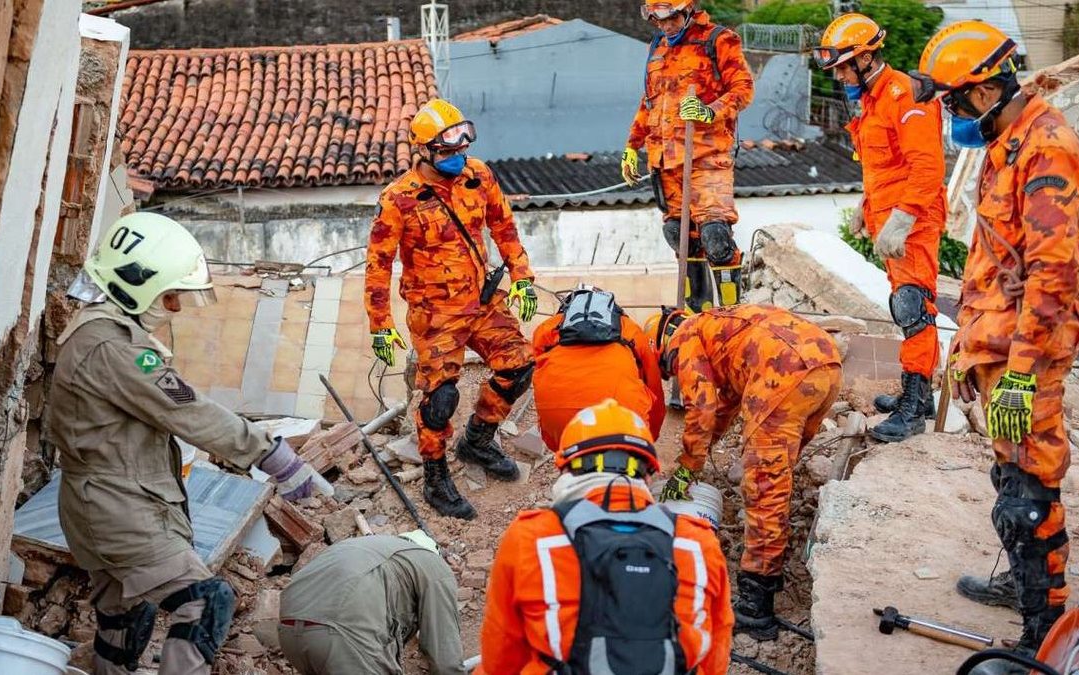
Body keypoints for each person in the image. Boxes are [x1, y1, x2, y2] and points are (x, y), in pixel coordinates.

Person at [46, 212, 319, 675]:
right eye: (170, 294)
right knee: (206, 602)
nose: (173, 308)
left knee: (125, 615)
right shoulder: (115, 347)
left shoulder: (99, 332)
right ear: (136, 284)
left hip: (100, 504)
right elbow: (186, 408)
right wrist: (273, 456)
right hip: (119, 508)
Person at [911, 20, 1079, 654]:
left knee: (1029, 493)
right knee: (1009, 479)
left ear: (985, 91)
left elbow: (1052, 274)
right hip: (1000, 346)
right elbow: (998, 260)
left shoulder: (1048, 150)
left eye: (952, 100)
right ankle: (1023, 582)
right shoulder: (1006, 142)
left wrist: (1019, 369)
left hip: (1030, 353)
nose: (949, 113)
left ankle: (1045, 636)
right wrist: (970, 348)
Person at [365, 98, 538, 521]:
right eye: (447, 152)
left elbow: (504, 226)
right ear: (423, 151)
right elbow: (378, 266)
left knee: (518, 366)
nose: (458, 158)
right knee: (440, 397)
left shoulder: (477, 176)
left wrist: (523, 276)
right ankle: (436, 476)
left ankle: (478, 439)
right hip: (435, 314)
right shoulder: (399, 199)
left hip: (482, 300)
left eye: (462, 148)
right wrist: (381, 326)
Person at [477, 399, 733, 674]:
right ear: (648, 476)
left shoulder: (532, 538)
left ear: (566, 469)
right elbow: (715, 659)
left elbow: (500, 660)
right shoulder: (698, 543)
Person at [646, 305, 841, 640]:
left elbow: (702, 409)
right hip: (825, 364)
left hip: (784, 371)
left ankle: (756, 603)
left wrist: (686, 469)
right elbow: (723, 407)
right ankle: (774, 562)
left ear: (663, 346)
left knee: (765, 488)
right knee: (777, 475)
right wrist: (701, 454)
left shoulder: (687, 338)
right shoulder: (716, 328)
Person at [814, 13, 947, 443]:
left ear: (866, 58)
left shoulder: (904, 95)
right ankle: (920, 394)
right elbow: (884, 166)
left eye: (842, 66)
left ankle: (913, 408)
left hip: (914, 221)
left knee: (914, 308)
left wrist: (904, 217)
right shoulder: (872, 99)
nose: (838, 76)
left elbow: (927, 166)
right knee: (908, 306)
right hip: (889, 218)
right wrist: (866, 205)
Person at [622, 0, 755, 312]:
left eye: (670, 19)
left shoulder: (718, 40)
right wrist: (632, 146)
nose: (665, 26)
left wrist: (710, 111)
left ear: (688, 11)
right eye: (658, 20)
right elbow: (649, 102)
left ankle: (730, 312)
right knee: (679, 235)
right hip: (665, 161)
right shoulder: (657, 49)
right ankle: (698, 311)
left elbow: (743, 89)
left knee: (716, 236)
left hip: (706, 157)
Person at [278, 531, 465, 675]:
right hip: (342, 636)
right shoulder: (433, 564)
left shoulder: (366, 548)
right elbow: (444, 652)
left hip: (289, 632)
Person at [531, 286, 666, 451]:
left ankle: (567, 456)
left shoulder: (547, 328)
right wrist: (649, 438)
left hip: (560, 429)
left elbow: (538, 369)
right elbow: (654, 385)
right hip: (622, 424)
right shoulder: (630, 329)